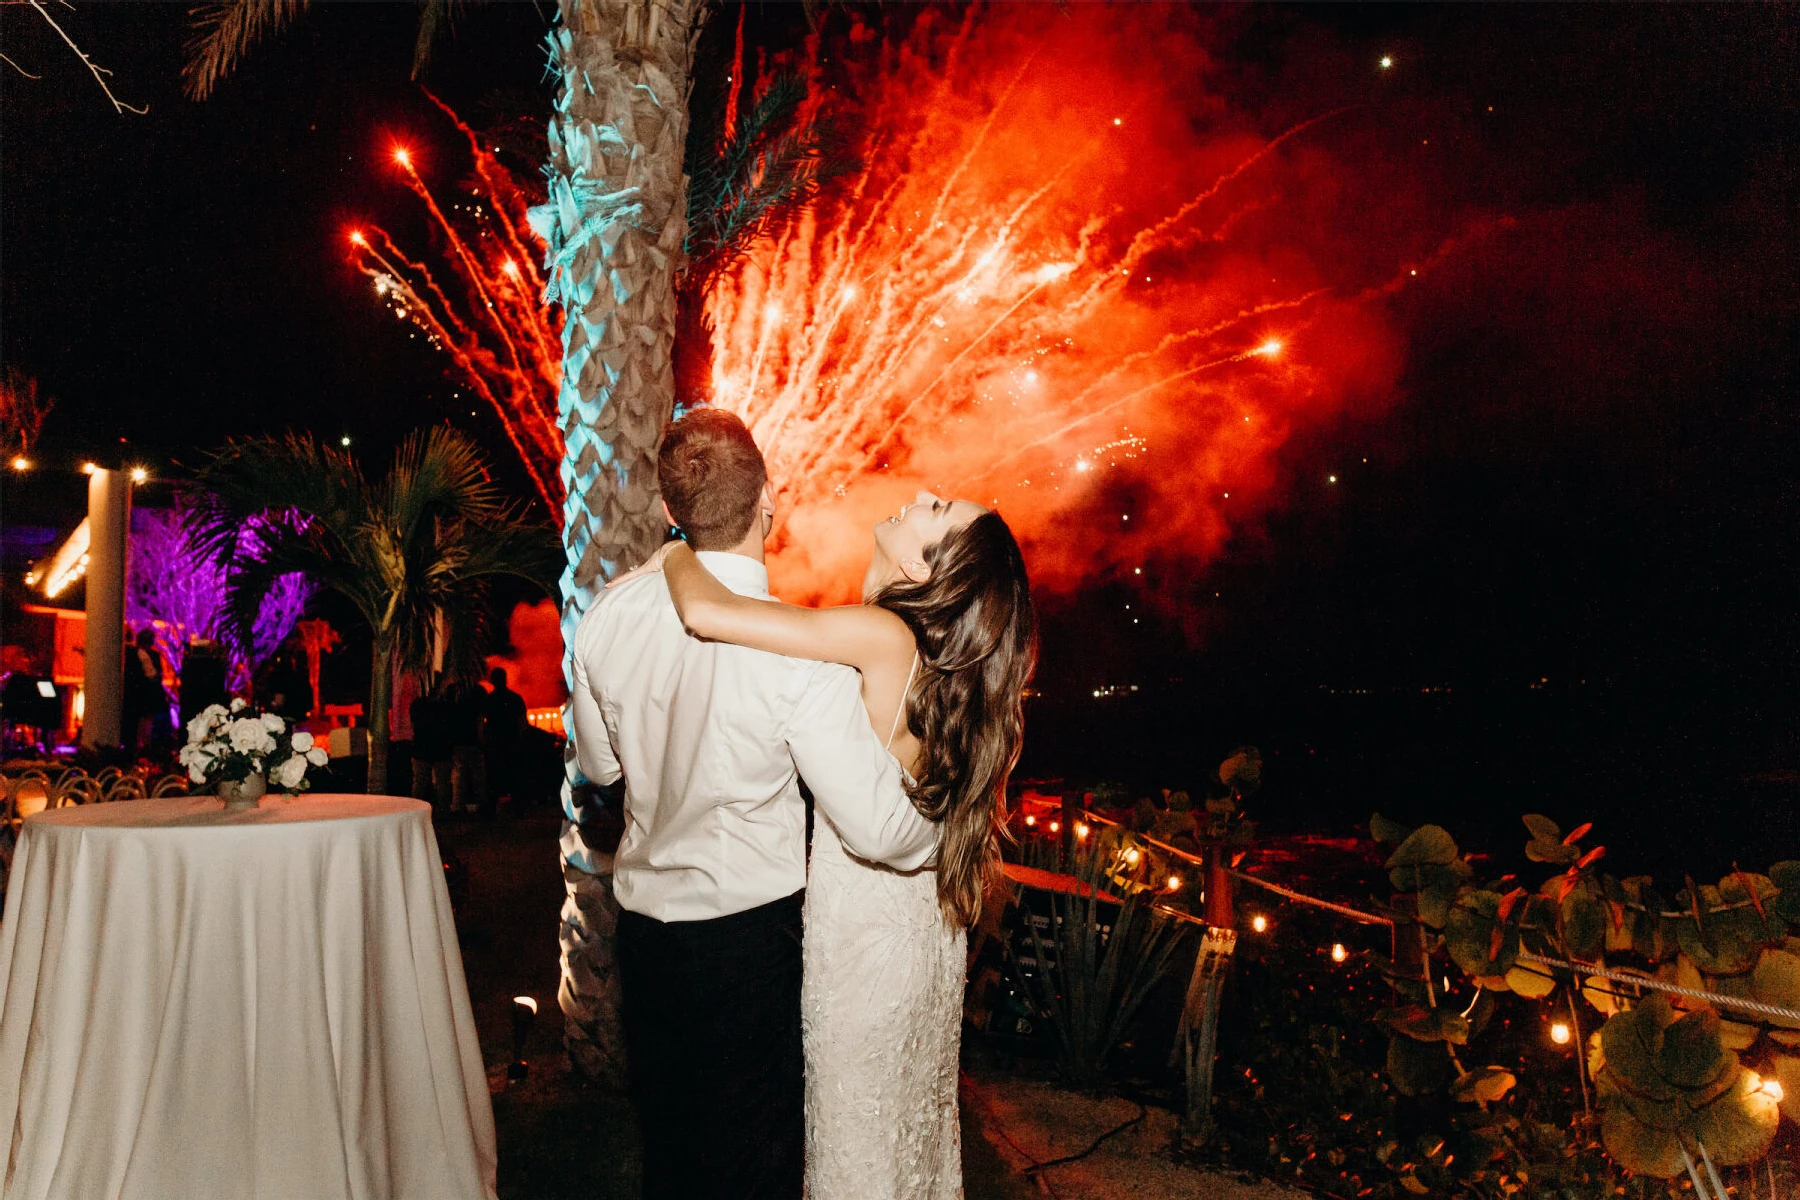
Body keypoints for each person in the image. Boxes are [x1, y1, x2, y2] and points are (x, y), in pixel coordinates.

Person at [613, 450, 1037, 1198]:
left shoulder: (881, 635)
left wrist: (680, 546)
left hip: (866, 956)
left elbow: (710, 615)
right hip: (922, 947)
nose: (927, 492)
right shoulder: (935, 670)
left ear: (923, 572)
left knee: (856, 1154)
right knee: (907, 1142)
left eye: (939, 515)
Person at [570, 410, 939, 1200]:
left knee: (670, 1148)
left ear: (671, 513)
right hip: (748, 939)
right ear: (768, 499)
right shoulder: (795, 651)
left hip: (643, 933)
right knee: (755, 1158)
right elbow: (877, 830)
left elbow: (598, 767)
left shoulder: (604, 618)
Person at [479, 667, 527, 814]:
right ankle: (517, 807)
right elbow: (522, 722)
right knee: (513, 774)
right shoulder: (515, 698)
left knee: (493, 775)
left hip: (494, 742)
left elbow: (481, 721)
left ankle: (492, 807)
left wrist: (483, 739)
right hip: (511, 741)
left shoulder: (488, 699)